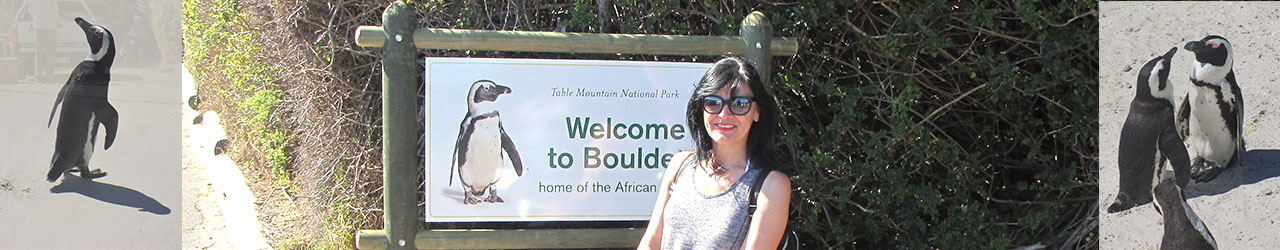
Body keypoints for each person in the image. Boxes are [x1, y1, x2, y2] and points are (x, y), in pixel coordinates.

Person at [639, 57, 791, 249]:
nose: (724, 114)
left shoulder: (771, 186)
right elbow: (651, 243)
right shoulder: (680, 165)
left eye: (739, 104)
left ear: (757, 112)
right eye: (713, 102)